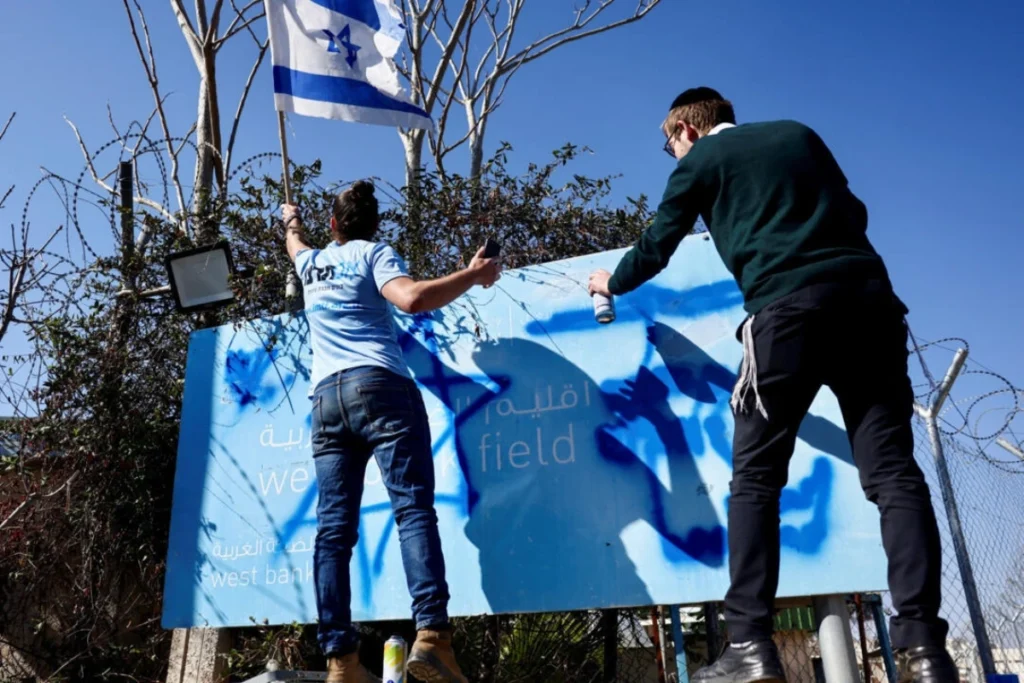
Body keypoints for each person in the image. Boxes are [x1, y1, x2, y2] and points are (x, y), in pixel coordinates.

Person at [588, 88, 957, 683]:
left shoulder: (701, 161)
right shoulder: (799, 134)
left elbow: (658, 244)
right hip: (871, 305)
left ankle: (750, 645)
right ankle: (925, 651)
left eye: (669, 145)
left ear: (686, 129)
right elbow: (854, 211)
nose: (672, 155)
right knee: (893, 474)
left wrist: (611, 281)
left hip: (786, 313)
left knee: (756, 481)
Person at [282, 180, 500, 683]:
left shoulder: (310, 263)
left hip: (326, 400)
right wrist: (473, 274)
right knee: (412, 510)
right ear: (374, 225)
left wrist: (291, 221)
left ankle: (341, 660)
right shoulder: (373, 254)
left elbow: (294, 243)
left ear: (332, 225)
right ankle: (433, 637)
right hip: (380, 387)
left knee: (333, 532)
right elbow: (412, 299)